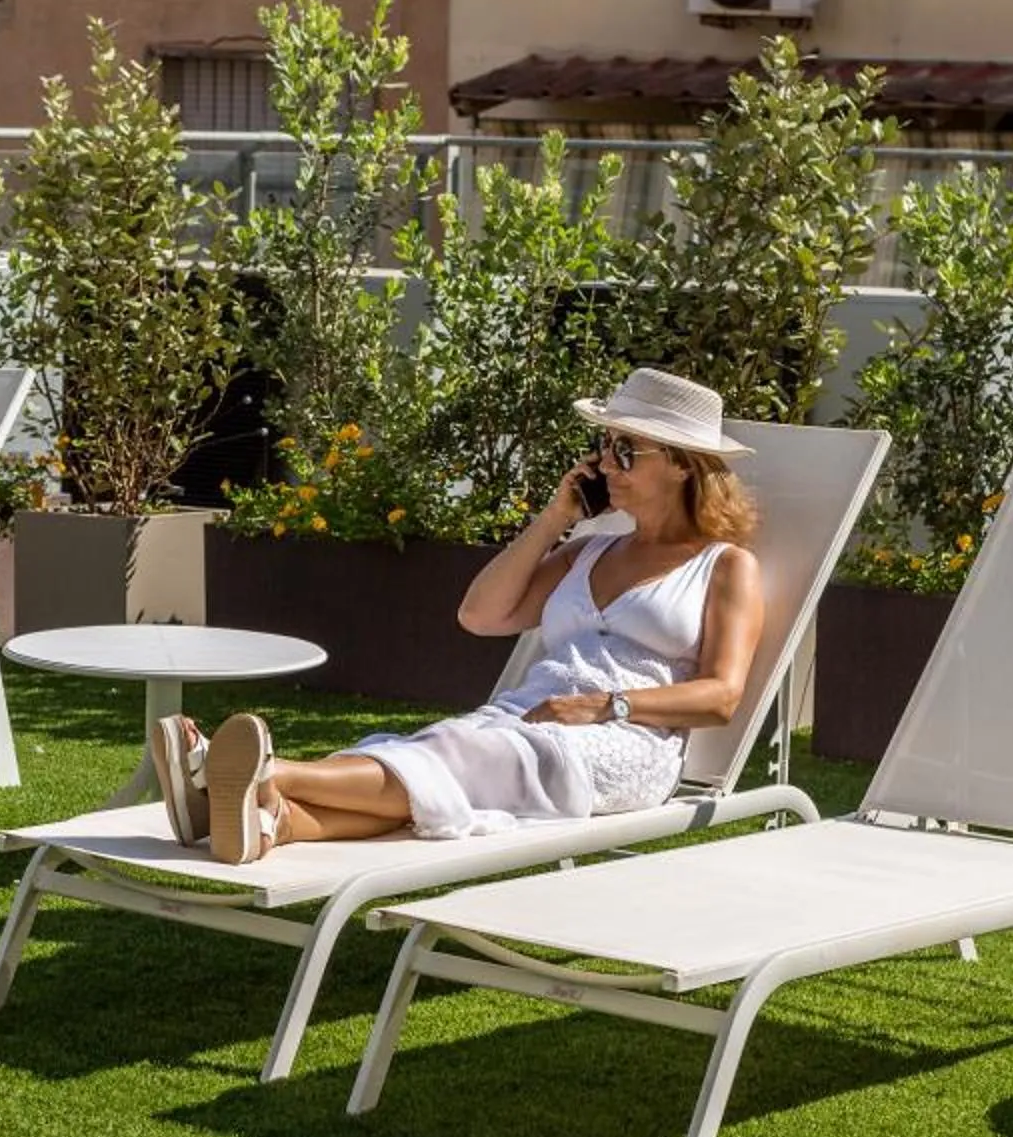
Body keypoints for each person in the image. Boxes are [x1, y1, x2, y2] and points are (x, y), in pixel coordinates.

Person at [153, 367, 766, 865]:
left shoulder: (724, 567)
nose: (606, 463)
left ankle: (260, 773)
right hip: (523, 719)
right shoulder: (588, 551)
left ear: (684, 463)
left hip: (626, 745)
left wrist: (606, 704)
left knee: (464, 755)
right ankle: (272, 823)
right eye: (604, 445)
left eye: (626, 449)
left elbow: (721, 696)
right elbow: (480, 614)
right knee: (440, 749)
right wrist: (555, 520)